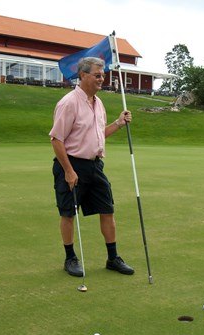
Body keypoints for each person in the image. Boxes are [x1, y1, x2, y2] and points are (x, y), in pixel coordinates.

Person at [49, 57, 134, 277]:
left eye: (103, 75)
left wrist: (118, 123)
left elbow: (99, 135)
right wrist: (68, 170)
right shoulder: (69, 103)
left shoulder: (99, 103)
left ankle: (112, 258)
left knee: (107, 210)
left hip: (95, 166)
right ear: (83, 75)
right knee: (68, 213)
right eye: (97, 75)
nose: (102, 79)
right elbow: (56, 139)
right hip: (72, 164)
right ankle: (70, 258)